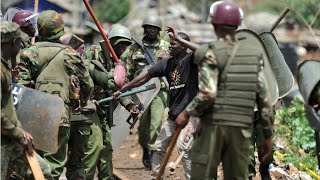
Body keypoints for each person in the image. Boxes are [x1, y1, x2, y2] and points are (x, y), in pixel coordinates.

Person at [175, 2, 274, 179]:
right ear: (238, 26)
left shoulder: (209, 52)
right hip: (241, 129)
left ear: (213, 25)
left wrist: (186, 112)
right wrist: (267, 135)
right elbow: (264, 100)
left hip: (213, 128)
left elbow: (208, 93)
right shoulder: (254, 55)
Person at [13, 10, 94, 180]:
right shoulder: (70, 54)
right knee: (55, 166)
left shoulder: (28, 53)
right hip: (60, 115)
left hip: (33, 116)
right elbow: (87, 85)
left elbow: (21, 87)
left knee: (35, 162)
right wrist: (80, 102)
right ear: (60, 28)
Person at [114, 31, 198, 179]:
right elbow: (144, 77)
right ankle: (156, 177)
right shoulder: (167, 63)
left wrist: (180, 39)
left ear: (183, 46)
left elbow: (203, 50)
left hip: (190, 114)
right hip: (174, 114)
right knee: (158, 147)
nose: (169, 46)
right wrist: (124, 89)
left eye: (173, 43)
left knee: (184, 148)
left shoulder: (191, 60)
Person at [82, 24, 138, 180]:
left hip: (105, 110)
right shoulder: (92, 54)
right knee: (93, 148)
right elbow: (80, 79)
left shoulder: (120, 63)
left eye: (126, 45)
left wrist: (129, 105)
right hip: (89, 109)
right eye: (120, 44)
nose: (124, 48)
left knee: (106, 149)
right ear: (111, 42)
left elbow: (119, 90)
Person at [1, 21, 52, 180]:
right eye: (19, 41)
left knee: (41, 171)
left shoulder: (6, 67)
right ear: (13, 42)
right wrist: (17, 132)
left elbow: (7, 106)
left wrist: (20, 130)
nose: (21, 45)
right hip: (5, 139)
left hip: (10, 137)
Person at [124, 16, 170, 169]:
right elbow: (128, 70)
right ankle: (145, 148)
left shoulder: (166, 46)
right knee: (143, 126)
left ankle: (152, 152)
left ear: (158, 30)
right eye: (149, 27)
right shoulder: (135, 48)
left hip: (160, 89)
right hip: (141, 91)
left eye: (155, 28)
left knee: (156, 123)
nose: (152, 30)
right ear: (144, 29)